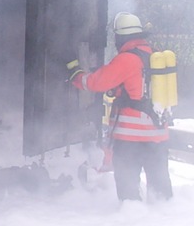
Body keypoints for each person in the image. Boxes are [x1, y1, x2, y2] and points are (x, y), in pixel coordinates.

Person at [68, 12, 172, 202]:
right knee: (160, 191)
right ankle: (165, 222)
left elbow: (96, 82)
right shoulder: (154, 54)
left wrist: (76, 75)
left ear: (120, 37)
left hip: (132, 138)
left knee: (128, 189)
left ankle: (132, 222)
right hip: (158, 135)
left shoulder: (127, 59)